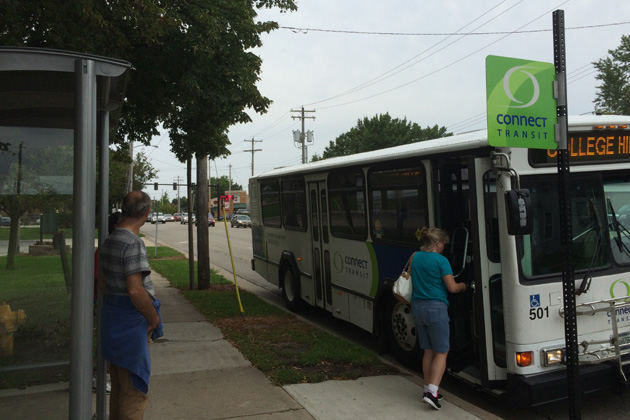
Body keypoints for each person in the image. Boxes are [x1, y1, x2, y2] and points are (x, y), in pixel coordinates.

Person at [99, 191, 163, 420]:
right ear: (146, 213)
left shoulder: (110, 240)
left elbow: (104, 283)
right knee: (134, 392)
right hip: (131, 328)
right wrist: (153, 319)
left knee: (119, 389)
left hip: (113, 322)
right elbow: (135, 289)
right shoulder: (133, 243)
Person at [410, 227, 466, 410]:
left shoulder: (415, 257)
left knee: (428, 350)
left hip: (417, 307)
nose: (444, 247)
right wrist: (463, 286)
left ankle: (427, 388)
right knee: (442, 351)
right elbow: (452, 288)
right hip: (436, 308)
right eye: (444, 244)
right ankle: (432, 393)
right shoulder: (441, 261)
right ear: (437, 243)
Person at [92, 211, 122, 394]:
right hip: (101, 302)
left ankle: (104, 375)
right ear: (115, 227)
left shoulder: (112, 246)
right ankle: (99, 377)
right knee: (103, 341)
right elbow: (98, 279)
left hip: (108, 303)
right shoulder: (106, 248)